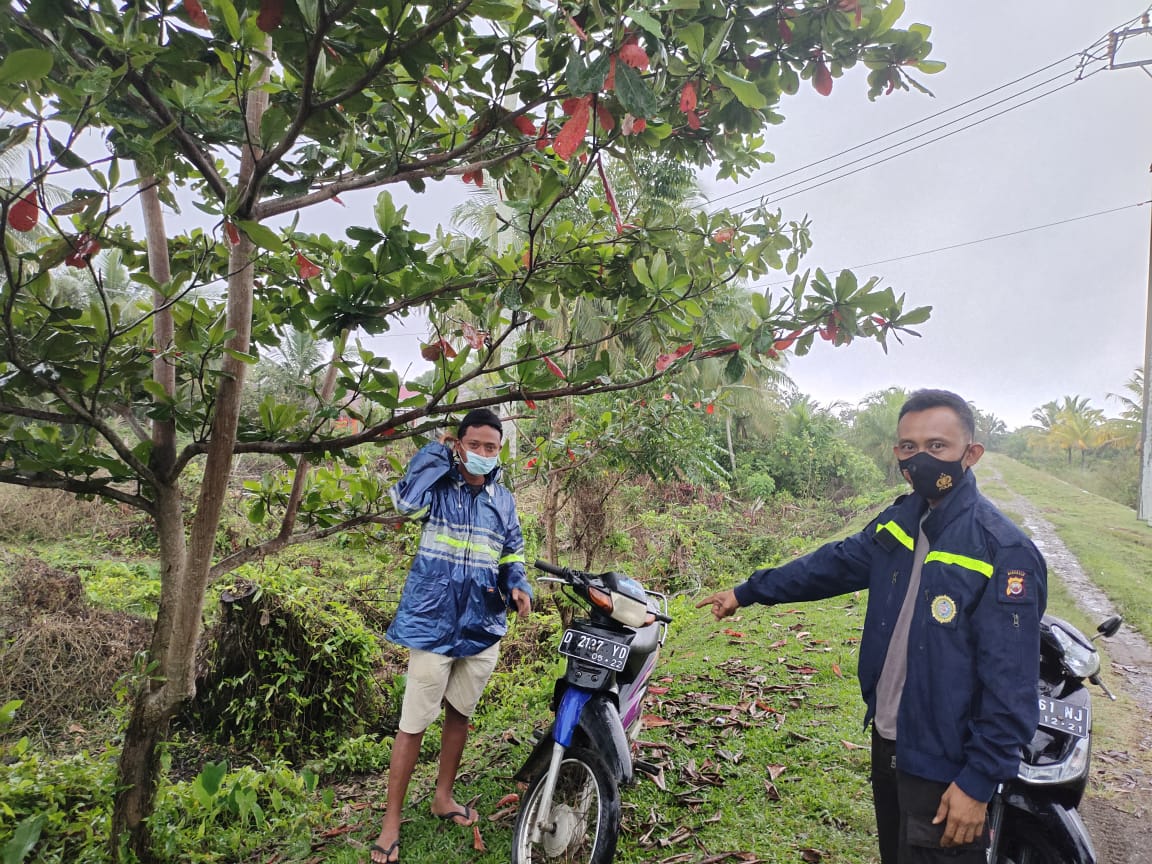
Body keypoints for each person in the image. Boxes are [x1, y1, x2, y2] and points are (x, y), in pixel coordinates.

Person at [697, 389, 1046, 864]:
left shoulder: (1003, 551)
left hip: (948, 760)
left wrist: (979, 781)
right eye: (908, 446)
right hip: (890, 738)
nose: (920, 458)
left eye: (937, 446)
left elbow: (1011, 686)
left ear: (972, 454)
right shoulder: (901, 522)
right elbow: (831, 565)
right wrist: (748, 591)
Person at [370, 408, 532, 864]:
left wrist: (519, 584)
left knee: (459, 714)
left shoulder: (502, 499)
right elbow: (402, 504)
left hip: (482, 624)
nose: (483, 454)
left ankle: (443, 797)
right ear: (458, 443)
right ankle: (391, 821)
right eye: (475, 445)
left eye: (491, 448)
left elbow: (511, 552)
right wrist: (435, 455)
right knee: (413, 723)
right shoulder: (438, 486)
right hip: (433, 621)